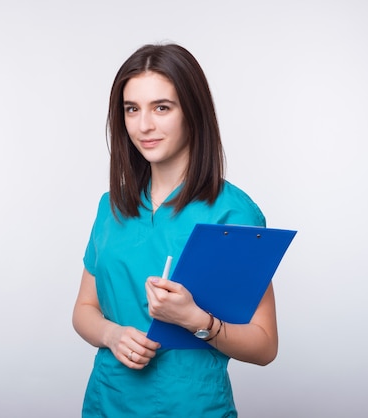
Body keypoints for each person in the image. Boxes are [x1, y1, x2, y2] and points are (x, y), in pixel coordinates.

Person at [72, 43, 278, 417]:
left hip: (192, 407)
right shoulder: (112, 205)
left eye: (161, 108)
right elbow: (84, 309)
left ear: (192, 113)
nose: (144, 125)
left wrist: (195, 321)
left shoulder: (233, 214)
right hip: (107, 402)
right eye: (132, 109)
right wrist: (112, 335)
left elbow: (264, 346)